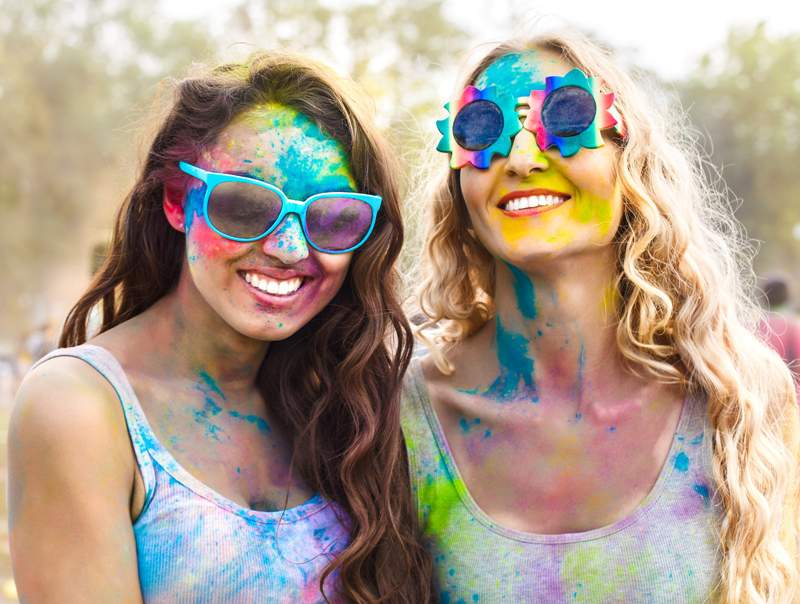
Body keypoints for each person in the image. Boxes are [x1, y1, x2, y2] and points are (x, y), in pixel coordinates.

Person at [9, 52, 431, 603]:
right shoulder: (81, 408)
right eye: (245, 206)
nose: (289, 248)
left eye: (332, 217)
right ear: (178, 202)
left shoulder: (343, 401)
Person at [405, 31, 799, 603]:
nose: (519, 160)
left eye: (564, 118)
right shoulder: (403, 418)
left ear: (630, 162)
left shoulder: (741, 401)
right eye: (483, 128)